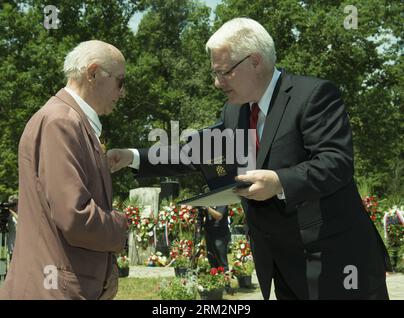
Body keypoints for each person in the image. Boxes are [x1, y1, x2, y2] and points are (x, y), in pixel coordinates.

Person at [107, 18, 391, 299]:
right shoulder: (235, 111)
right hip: (284, 266)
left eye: (224, 72)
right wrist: (131, 157)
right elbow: (195, 153)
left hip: (338, 263)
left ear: (254, 61)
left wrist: (279, 182)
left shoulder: (314, 95)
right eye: (214, 73)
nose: (217, 83)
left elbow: (336, 163)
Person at [0, 40, 128, 300]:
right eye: (120, 81)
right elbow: (75, 217)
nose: (122, 93)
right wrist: (122, 225)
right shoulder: (62, 121)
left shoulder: (68, 120)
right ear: (93, 73)